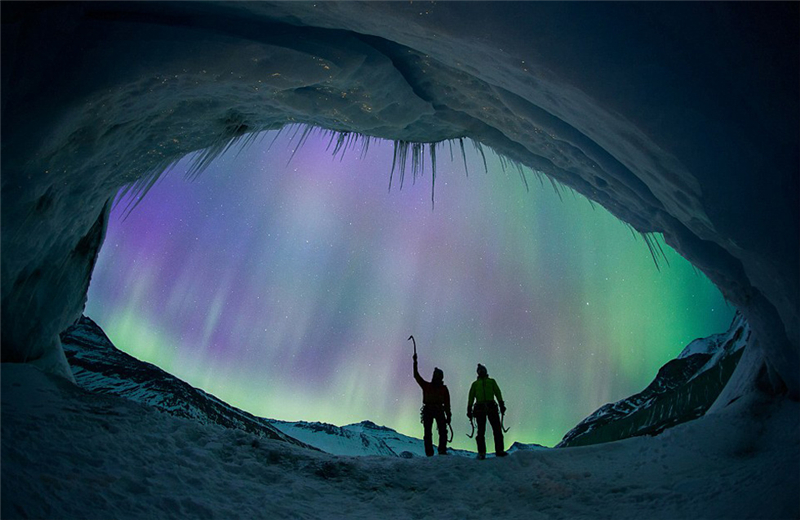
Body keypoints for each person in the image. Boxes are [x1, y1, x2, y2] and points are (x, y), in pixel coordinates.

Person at [413, 351, 451, 456]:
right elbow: (416, 376)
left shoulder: (430, 386)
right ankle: (437, 451)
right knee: (435, 432)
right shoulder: (435, 387)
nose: (435, 377)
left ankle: (437, 451)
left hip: (434, 410)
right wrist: (415, 362)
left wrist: (448, 414)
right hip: (432, 410)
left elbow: (416, 376)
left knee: (436, 432)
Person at [467, 363, 507, 459]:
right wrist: (469, 408)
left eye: (482, 370)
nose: (481, 372)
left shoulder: (491, 382)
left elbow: (497, 392)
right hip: (481, 408)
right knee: (481, 431)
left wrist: (501, 403)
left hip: (490, 407)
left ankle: (499, 450)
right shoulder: (475, 384)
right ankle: (482, 452)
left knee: (496, 429)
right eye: (480, 371)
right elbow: (471, 397)